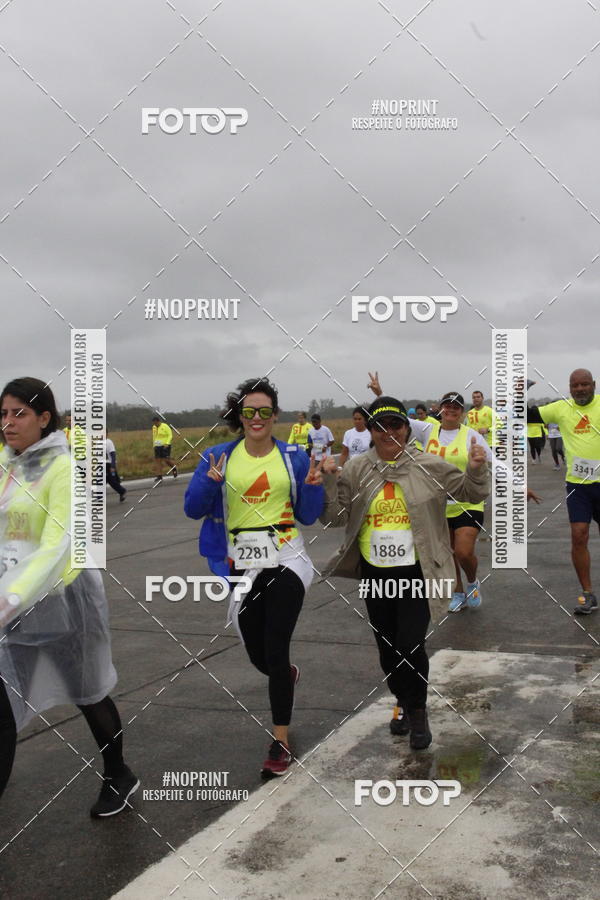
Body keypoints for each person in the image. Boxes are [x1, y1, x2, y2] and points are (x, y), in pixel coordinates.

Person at [0, 378, 138, 814]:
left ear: (45, 418)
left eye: (19, 413)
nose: (8, 423)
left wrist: (12, 598)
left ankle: (119, 773)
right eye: (3, 414)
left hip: (60, 603)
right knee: (3, 700)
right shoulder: (7, 466)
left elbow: (58, 545)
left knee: (88, 692)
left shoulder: (63, 469)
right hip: (11, 604)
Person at [319, 396, 489, 749]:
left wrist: (475, 468)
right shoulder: (357, 469)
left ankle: (418, 710)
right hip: (376, 573)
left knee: (410, 644)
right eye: (381, 426)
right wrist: (328, 482)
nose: (389, 432)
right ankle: (400, 698)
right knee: (387, 649)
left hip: (417, 572)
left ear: (407, 428)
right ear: (372, 430)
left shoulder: (430, 465)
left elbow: (471, 491)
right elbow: (334, 518)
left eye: (396, 425)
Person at [184, 378, 324, 776]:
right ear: (240, 416)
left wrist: (314, 486)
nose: (257, 418)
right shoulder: (218, 457)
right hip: (240, 566)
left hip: (287, 560)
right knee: (261, 656)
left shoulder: (293, 457)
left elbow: (309, 515)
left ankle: (279, 741)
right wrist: (208, 483)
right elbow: (193, 509)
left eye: (265, 411)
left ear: (275, 416)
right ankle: (285, 676)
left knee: (277, 648)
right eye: (250, 411)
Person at [528, 368, 600, 615]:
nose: (580, 389)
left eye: (584, 384)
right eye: (575, 385)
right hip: (577, 486)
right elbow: (524, 415)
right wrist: (519, 392)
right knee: (579, 536)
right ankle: (588, 594)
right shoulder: (561, 408)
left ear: (593, 384)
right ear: (569, 387)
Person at [152, 416, 177, 481]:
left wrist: (167, 443)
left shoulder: (165, 426)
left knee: (166, 460)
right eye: (154, 424)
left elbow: (170, 435)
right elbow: (154, 437)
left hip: (165, 446)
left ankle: (174, 468)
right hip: (157, 446)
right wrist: (154, 445)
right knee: (158, 461)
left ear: (158, 421)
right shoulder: (154, 427)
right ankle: (159, 476)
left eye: (156, 423)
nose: (155, 425)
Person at [106, 435, 127, 502]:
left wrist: (112, 466)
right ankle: (98, 498)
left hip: (109, 464)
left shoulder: (108, 442)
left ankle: (122, 491)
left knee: (113, 482)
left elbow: (113, 455)